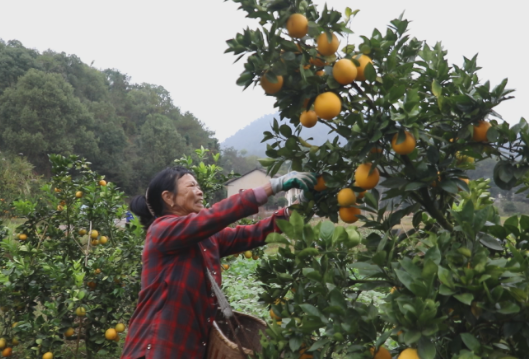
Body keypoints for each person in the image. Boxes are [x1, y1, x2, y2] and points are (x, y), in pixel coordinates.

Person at [121, 166, 316, 359]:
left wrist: (299, 207)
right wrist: (273, 186)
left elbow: (254, 233)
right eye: (191, 186)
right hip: (155, 349)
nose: (199, 191)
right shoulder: (161, 231)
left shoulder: (207, 239)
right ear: (169, 198)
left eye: (199, 185)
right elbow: (214, 216)